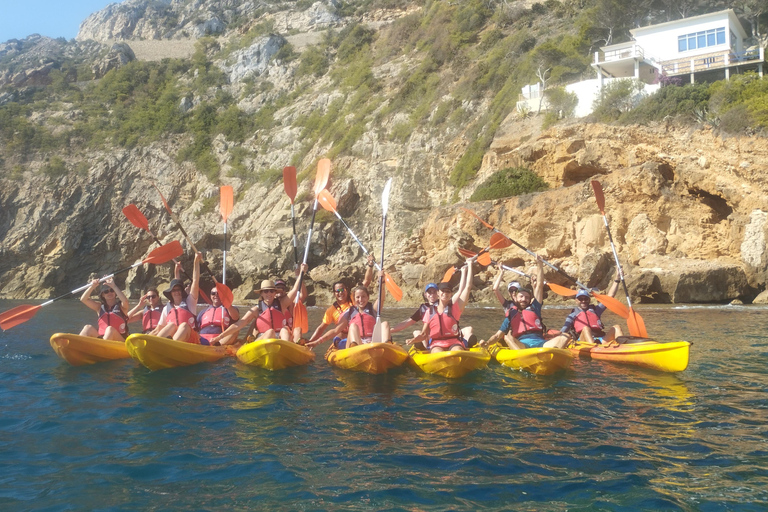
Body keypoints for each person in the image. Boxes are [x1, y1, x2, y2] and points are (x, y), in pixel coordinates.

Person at [480, 256, 571, 350]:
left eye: (527, 297)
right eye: (521, 297)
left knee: (565, 336)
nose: (524, 299)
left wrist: (539, 264)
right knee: (507, 337)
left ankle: (551, 354)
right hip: (522, 346)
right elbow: (497, 336)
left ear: (530, 299)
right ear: (516, 297)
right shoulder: (511, 315)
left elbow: (539, 286)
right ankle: (524, 357)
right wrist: (486, 344)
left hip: (542, 344)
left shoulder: (535, 308)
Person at [211, 263, 307, 344]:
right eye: (266, 291)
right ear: (261, 293)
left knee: (285, 330)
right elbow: (239, 324)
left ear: (275, 293)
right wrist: (219, 337)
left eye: (271, 291)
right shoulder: (256, 310)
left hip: (280, 340)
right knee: (270, 332)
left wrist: (301, 273)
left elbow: (295, 290)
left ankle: (285, 351)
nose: (269, 294)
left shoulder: (282, 304)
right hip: (263, 339)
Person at [406, 258, 475, 353]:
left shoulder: (456, 308)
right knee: (436, 353)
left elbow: (467, 288)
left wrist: (470, 265)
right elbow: (424, 334)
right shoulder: (429, 311)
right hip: (436, 343)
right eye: (443, 291)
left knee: (457, 351)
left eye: (448, 292)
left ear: (451, 294)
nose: (445, 293)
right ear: (438, 293)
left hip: (454, 341)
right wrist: (414, 340)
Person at [306, 255, 375, 347]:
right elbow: (321, 328)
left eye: (342, 290)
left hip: (359, 333)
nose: (340, 293)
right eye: (337, 291)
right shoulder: (331, 310)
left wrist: (370, 265)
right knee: (338, 336)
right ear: (334, 293)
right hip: (343, 334)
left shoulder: (356, 299)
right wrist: (311, 341)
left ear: (346, 290)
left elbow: (366, 281)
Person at [152, 252, 202, 343]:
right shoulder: (167, 309)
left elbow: (195, 281)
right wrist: (143, 339)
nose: (177, 292)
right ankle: (156, 344)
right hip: (174, 339)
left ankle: (171, 345)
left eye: (179, 290)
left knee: (184, 325)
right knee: (171, 325)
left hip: (191, 339)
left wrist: (196, 261)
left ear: (182, 291)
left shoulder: (190, 302)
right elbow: (157, 330)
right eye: (174, 290)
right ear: (171, 293)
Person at [560, 273, 623, 344]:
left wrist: (617, 279)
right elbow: (563, 331)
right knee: (586, 328)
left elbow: (610, 296)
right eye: (580, 299)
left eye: (585, 299)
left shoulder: (596, 310)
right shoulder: (572, 315)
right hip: (583, 341)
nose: (583, 301)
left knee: (616, 327)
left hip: (600, 339)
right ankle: (594, 349)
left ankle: (624, 348)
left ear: (589, 300)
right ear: (576, 300)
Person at [333, 279, 390, 348]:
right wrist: (319, 340)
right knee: (353, 326)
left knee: (385, 323)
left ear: (368, 297)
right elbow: (336, 330)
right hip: (357, 342)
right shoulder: (349, 312)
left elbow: (381, 298)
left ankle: (387, 346)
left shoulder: (373, 309)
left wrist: (382, 282)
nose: (360, 300)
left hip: (372, 341)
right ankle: (355, 347)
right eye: (358, 297)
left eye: (363, 297)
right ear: (354, 299)